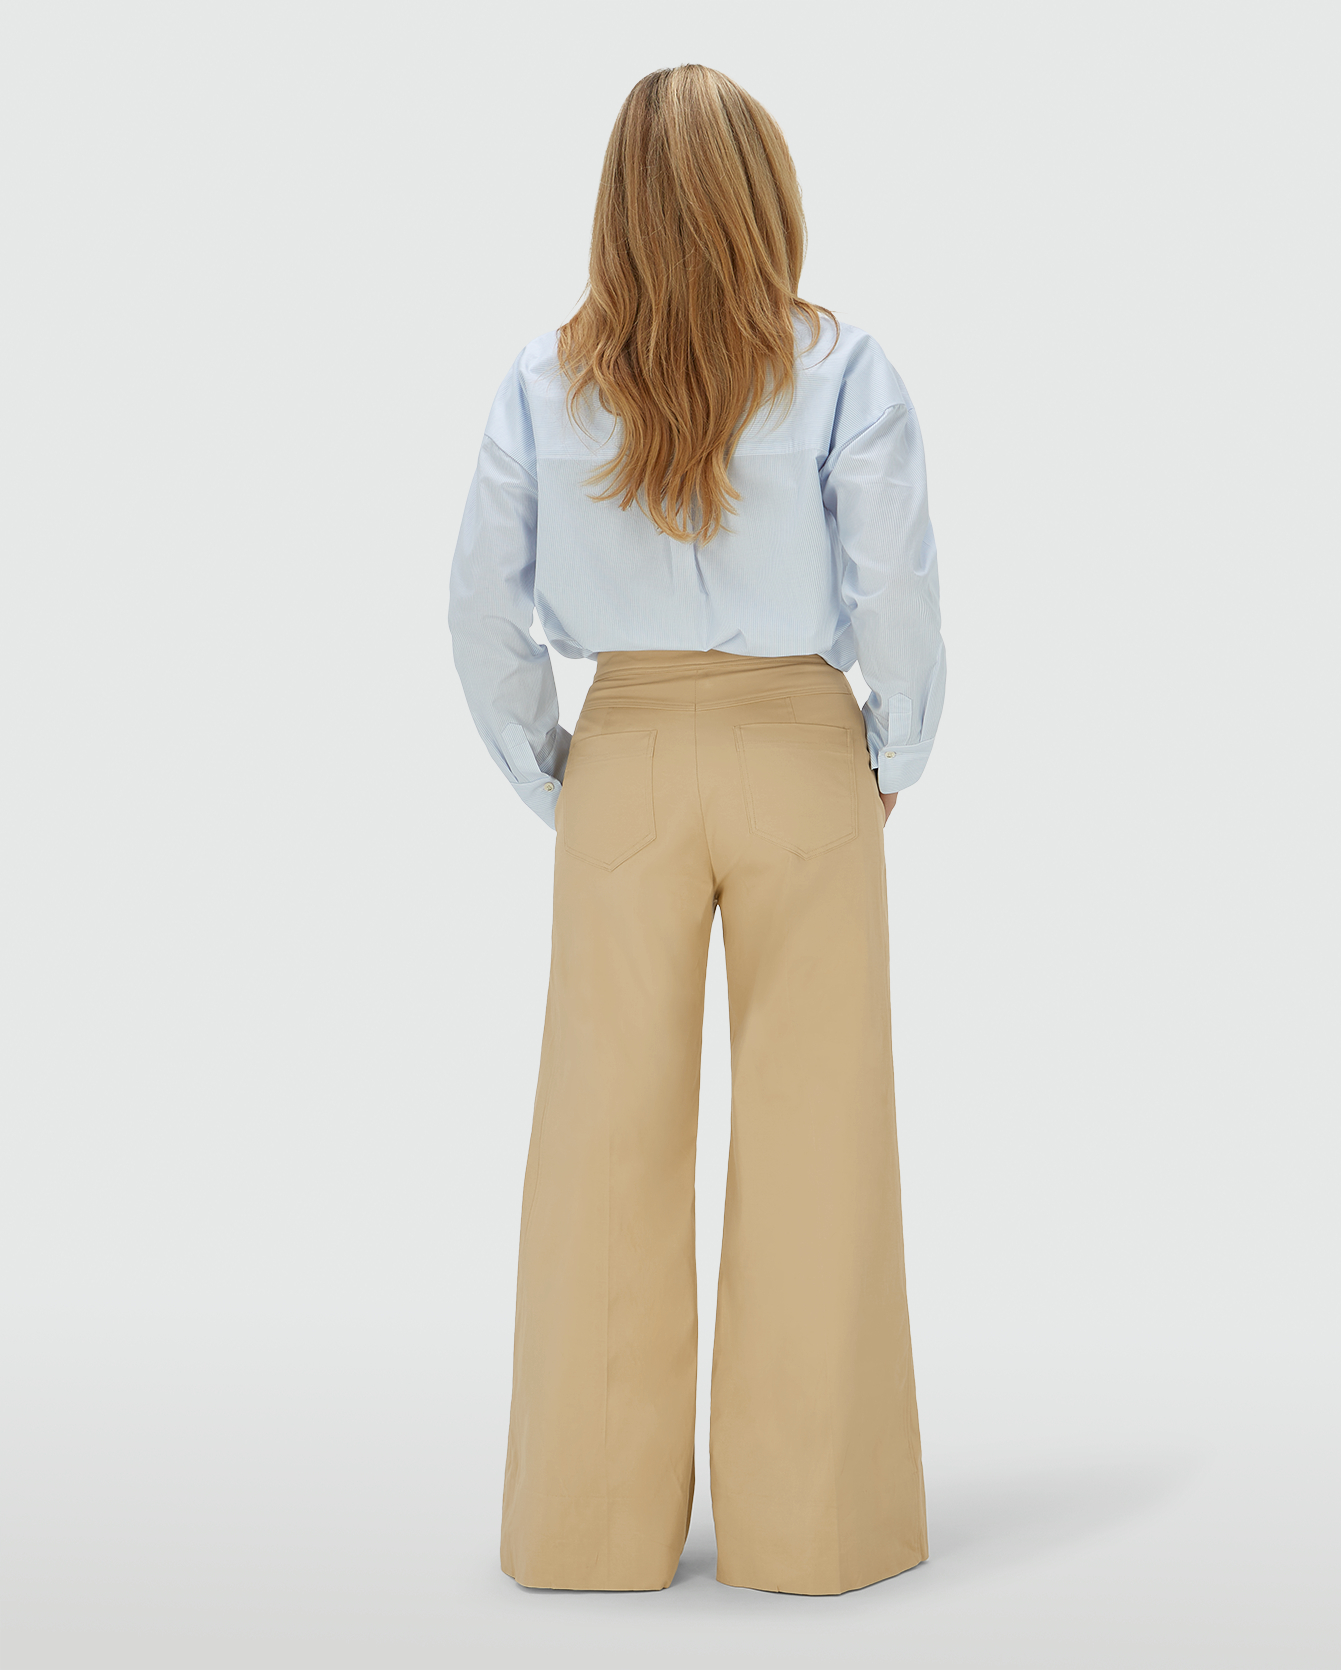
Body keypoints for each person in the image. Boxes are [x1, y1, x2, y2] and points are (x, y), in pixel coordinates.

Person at [448, 64, 947, 1597]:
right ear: (769, 199)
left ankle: (586, 1529)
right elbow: (896, 592)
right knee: (820, 1135)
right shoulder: (844, 371)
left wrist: (556, 772)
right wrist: (893, 750)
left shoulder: (541, 383)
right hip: (801, 750)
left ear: (613, 206)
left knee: (598, 1140)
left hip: (628, 751)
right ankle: (812, 1529)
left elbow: (479, 612)